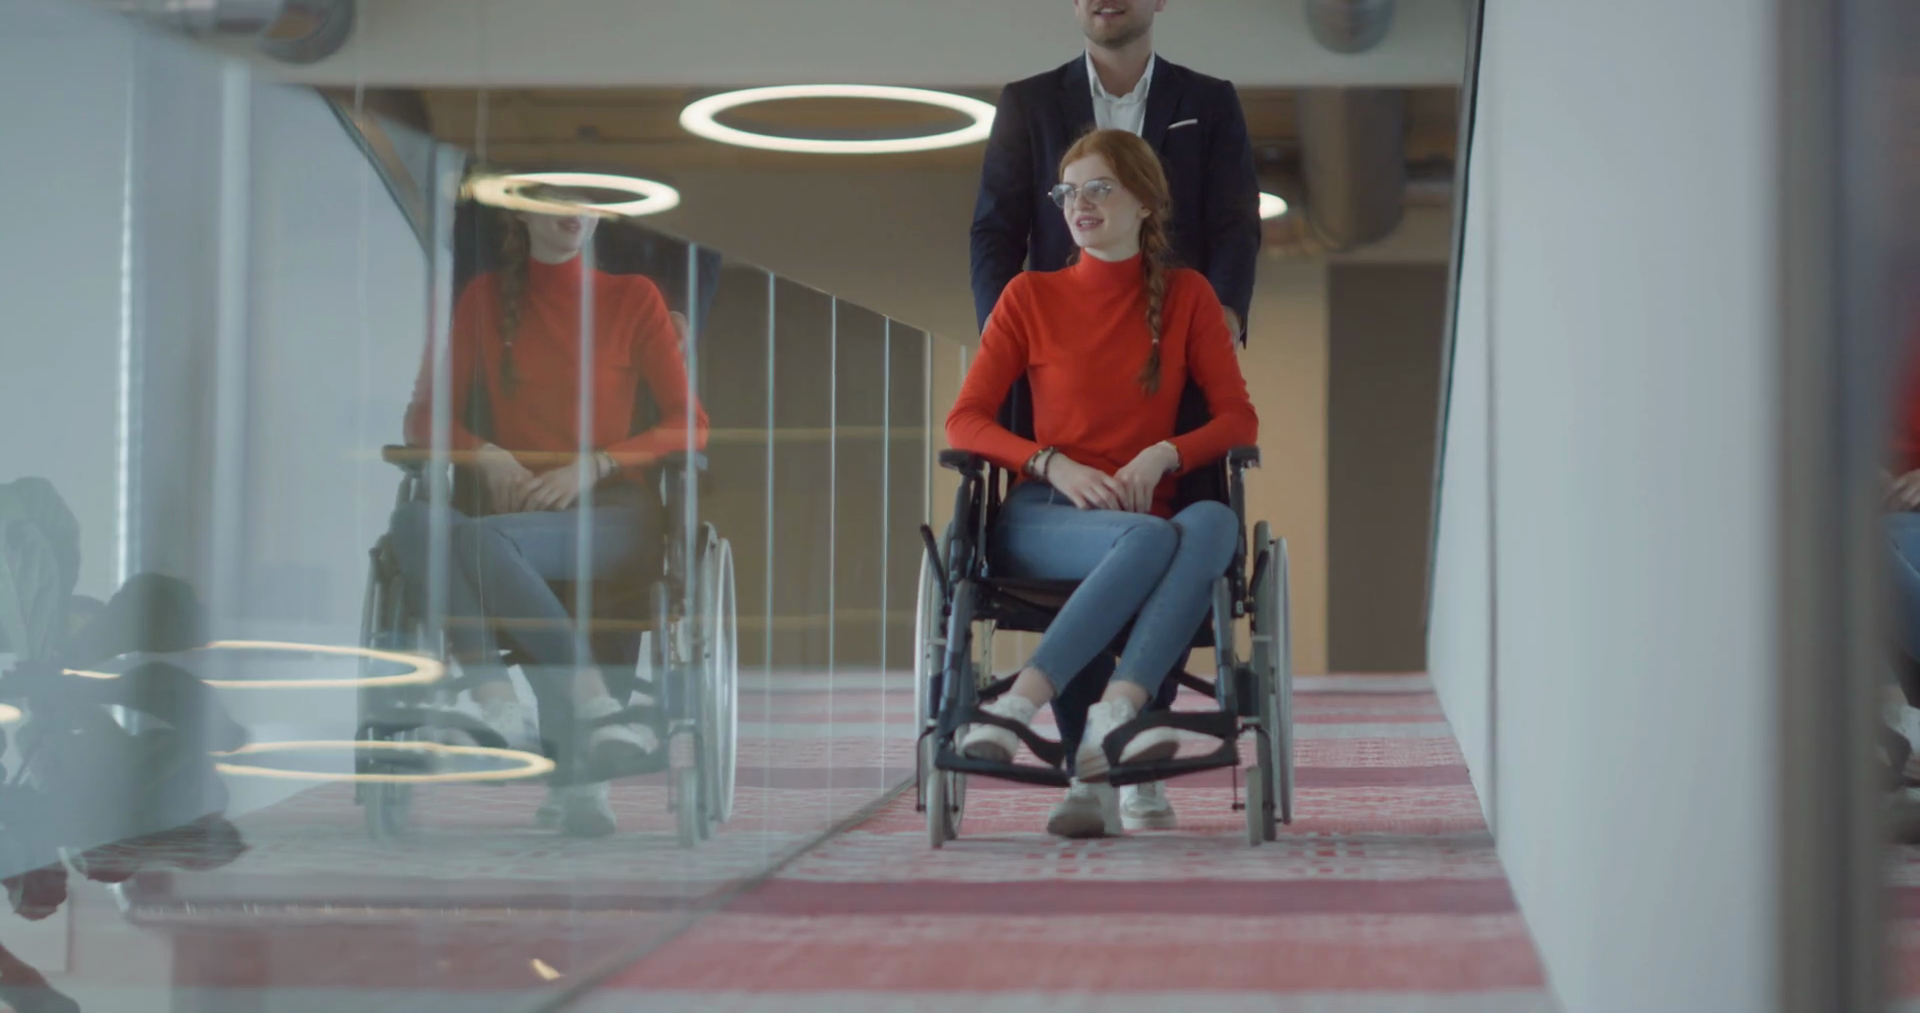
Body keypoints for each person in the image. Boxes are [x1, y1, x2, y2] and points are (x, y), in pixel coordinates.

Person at [969, 0, 1262, 833]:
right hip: (1054, 410)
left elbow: (1235, 221)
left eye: (1102, 188)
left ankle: (1109, 732)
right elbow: (995, 228)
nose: (1082, 203)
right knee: (1154, 541)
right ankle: (1098, 748)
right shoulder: (1030, 103)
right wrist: (1015, 339)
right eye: (1074, 190)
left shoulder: (1209, 100)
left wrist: (1215, 324)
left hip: (1174, 370)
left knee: (1196, 525)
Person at [392, 200, 709, 838]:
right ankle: (510, 705)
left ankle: (576, 706)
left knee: (475, 541)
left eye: (584, 197)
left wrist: (594, 466)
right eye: (555, 195)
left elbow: (690, 425)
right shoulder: (484, 300)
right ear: (522, 212)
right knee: (416, 525)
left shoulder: (633, 297)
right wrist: (485, 455)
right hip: (516, 517)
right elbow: (423, 419)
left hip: (615, 515)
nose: (573, 210)